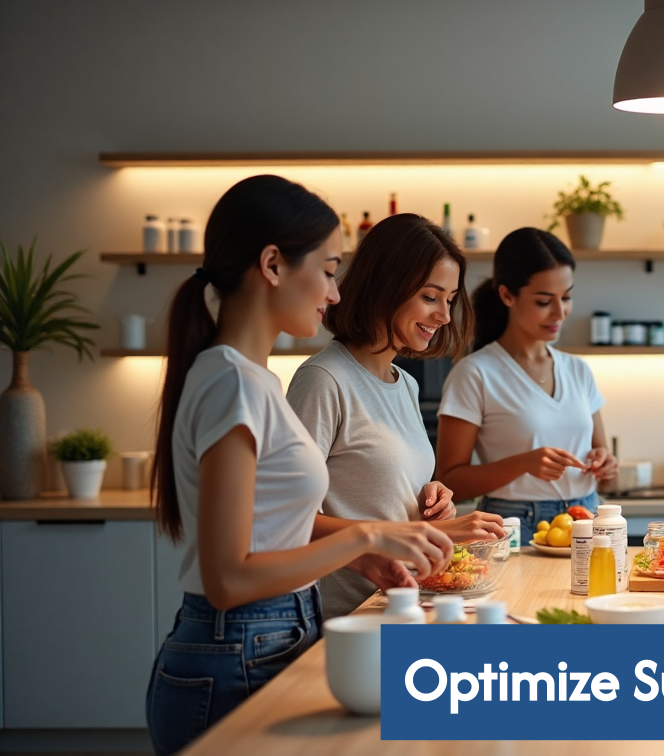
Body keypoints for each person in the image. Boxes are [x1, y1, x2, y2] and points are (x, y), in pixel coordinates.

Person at [145, 176, 452, 756]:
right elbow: (228, 579)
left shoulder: (249, 379)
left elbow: (270, 529)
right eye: (330, 268)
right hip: (235, 654)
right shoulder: (235, 383)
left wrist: (363, 555)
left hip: (268, 637)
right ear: (272, 265)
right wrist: (366, 533)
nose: (335, 293)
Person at [287, 213, 506, 619]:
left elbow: (377, 489)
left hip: (403, 603)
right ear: (384, 286)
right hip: (348, 616)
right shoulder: (324, 380)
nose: (443, 315)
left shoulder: (404, 383)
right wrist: (429, 532)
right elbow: (289, 520)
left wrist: (431, 499)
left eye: (450, 300)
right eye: (430, 296)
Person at [436, 227, 618, 541]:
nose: (560, 312)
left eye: (567, 297)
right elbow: (450, 481)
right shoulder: (475, 373)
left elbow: (605, 472)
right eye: (545, 301)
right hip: (516, 523)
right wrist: (525, 463)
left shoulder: (578, 370)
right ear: (507, 295)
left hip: (588, 517)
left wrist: (606, 466)